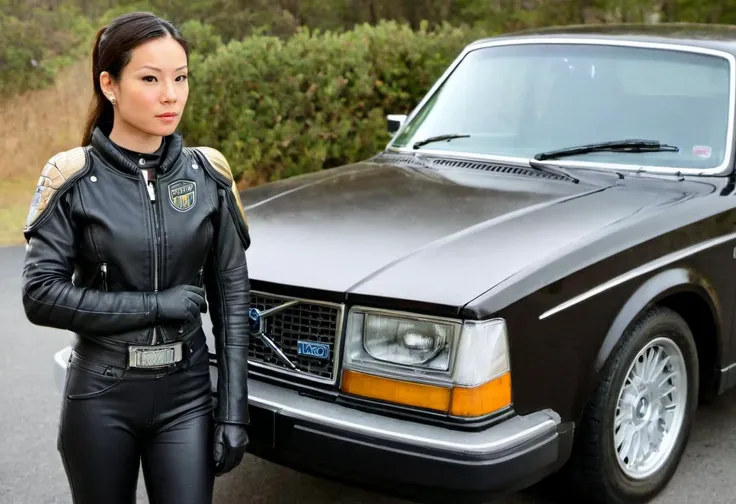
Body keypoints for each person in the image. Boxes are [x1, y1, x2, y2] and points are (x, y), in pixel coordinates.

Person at [20, 11, 251, 504]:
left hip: (187, 395)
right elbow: (39, 296)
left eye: (180, 78)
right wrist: (155, 305)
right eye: (150, 78)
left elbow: (232, 298)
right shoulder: (71, 177)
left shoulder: (209, 173)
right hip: (100, 396)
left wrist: (234, 410)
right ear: (110, 84)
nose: (171, 95)